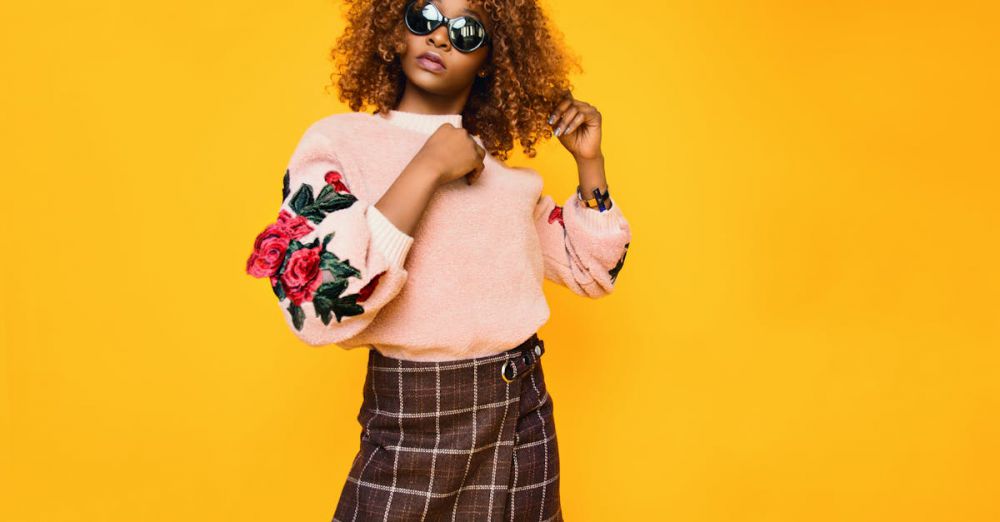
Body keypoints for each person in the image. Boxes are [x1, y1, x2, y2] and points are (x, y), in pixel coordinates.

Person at [245, 0, 632, 519]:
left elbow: (592, 271)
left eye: (467, 31)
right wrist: (426, 167)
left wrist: (590, 162)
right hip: (412, 418)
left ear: (493, 58)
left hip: (523, 414)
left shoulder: (504, 178)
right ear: (392, 27)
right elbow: (317, 304)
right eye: (424, 16)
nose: (441, 38)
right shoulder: (340, 143)